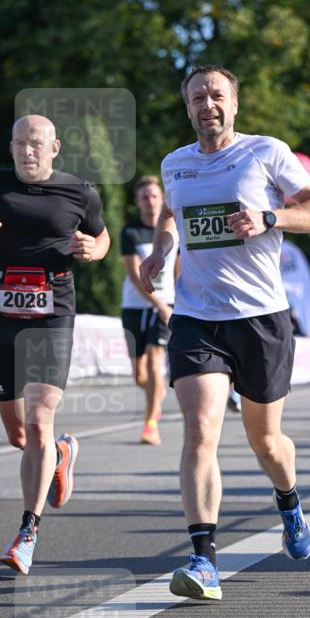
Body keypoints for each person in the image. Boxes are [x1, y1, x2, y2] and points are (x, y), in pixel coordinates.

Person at [139, 65, 310, 602]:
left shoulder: (266, 152)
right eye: (197, 96)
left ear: (234, 104)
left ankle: (288, 499)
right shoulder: (174, 165)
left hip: (262, 318)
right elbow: (172, 217)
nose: (208, 104)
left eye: (217, 95)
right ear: (188, 107)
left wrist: (270, 218)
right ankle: (204, 561)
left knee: (265, 442)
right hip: (198, 317)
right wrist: (161, 250)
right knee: (200, 430)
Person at [0, 114, 110, 575]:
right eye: (19, 142)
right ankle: (61, 453)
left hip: (52, 311)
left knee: (38, 421)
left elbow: (102, 237)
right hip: (1, 312)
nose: (26, 151)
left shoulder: (79, 191)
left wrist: (94, 250)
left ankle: (27, 533)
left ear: (54, 147)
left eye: (35, 143)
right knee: (21, 436)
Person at [121, 175, 179, 444]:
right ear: (137, 202)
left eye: (155, 195)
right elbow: (134, 275)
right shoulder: (130, 232)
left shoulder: (172, 230)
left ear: (162, 198)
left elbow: (179, 270)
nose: (150, 201)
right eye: (144, 197)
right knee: (140, 375)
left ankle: (150, 422)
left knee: (156, 362)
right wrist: (156, 302)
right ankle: (155, 394)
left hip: (164, 306)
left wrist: (171, 304)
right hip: (134, 305)